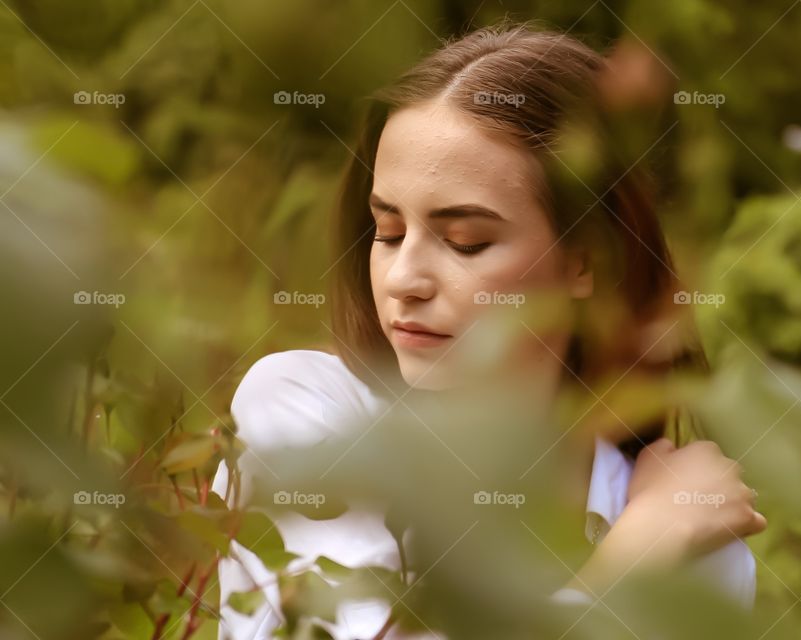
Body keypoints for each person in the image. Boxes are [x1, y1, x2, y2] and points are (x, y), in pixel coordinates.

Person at [212, 21, 766, 639]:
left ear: (586, 257)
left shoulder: (696, 540)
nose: (404, 279)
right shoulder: (306, 413)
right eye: (388, 233)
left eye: (464, 242)